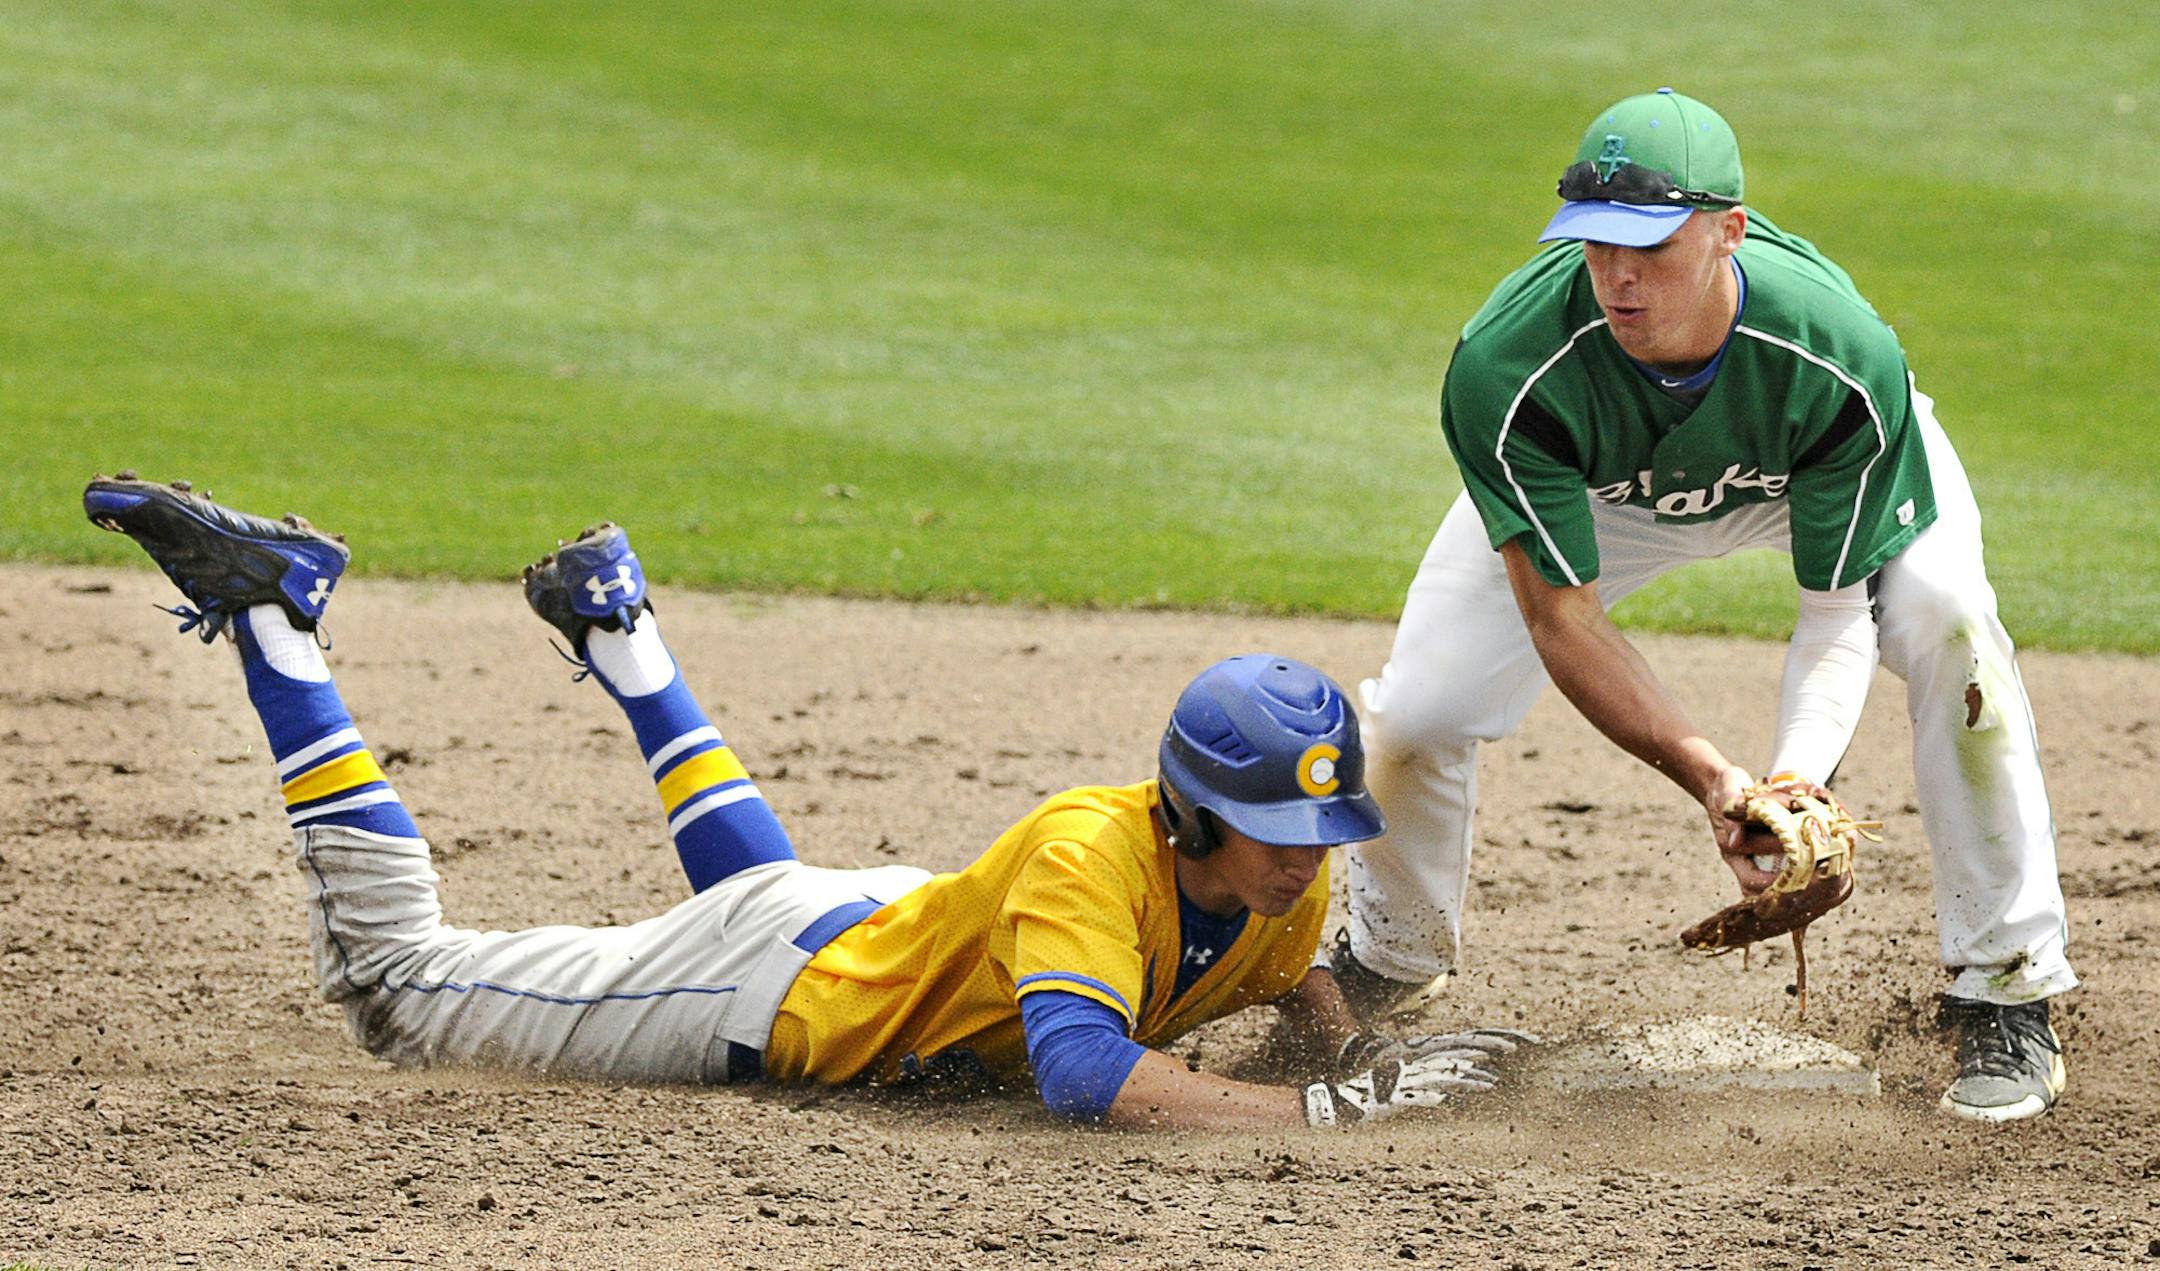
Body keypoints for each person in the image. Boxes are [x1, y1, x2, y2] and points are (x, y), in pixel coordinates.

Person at [83, 473, 1530, 1131]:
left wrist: (1343, 1049)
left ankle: (622, 635)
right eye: (1286, 828)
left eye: (1326, 830)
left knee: (800, 924)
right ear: (1198, 811)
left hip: (871, 923)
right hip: (759, 982)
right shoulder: (1103, 856)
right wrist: (1312, 1119)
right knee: (395, 990)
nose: (1316, 861)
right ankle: (279, 621)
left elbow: (1295, 980)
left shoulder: (1289, 866)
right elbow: (1089, 1077)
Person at [1331, 89, 2073, 1123]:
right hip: (1603, 484)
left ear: (1730, 232)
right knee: (1418, 711)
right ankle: (1393, 953)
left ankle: (2006, 987)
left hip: (1800, 463)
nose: (1619, 278)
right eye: (1596, 246)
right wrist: (1715, 779)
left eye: (1652, 247)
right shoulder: (1509, 367)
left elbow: (1834, 614)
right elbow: (1564, 618)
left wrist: (1791, 786)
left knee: (1951, 620)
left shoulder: (1839, 356)